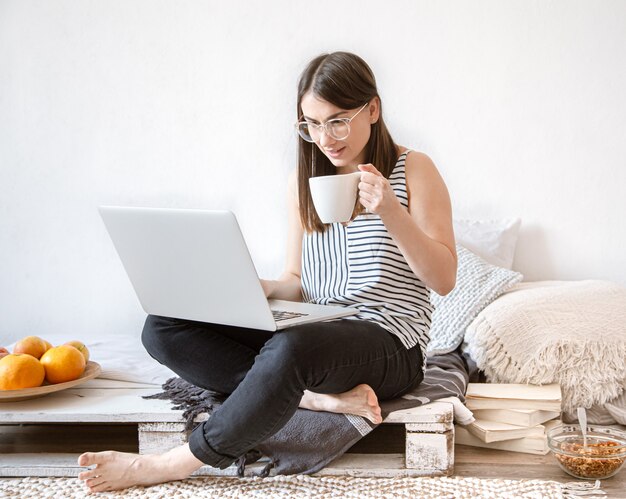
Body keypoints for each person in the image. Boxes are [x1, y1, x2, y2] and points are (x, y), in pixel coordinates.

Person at [77, 51, 457, 493]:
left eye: (337, 120)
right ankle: (313, 398)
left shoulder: (414, 169)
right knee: (162, 327)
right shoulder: (307, 182)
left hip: (391, 342)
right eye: (311, 124)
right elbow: (297, 281)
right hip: (319, 331)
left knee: (290, 349)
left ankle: (172, 463)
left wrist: (391, 210)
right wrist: (252, 289)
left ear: (372, 109)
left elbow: (443, 279)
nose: (325, 138)